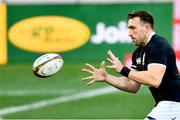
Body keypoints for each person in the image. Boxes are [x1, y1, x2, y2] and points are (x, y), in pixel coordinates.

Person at [82, 10, 180, 119]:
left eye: (133, 28)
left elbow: (154, 80)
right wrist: (106, 77)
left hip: (174, 104)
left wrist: (123, 70)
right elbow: (132, 86)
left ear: (147, 28)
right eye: (128, 28)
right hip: (167, 104)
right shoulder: (138, 53)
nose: (129, 33)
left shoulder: (158, 45)